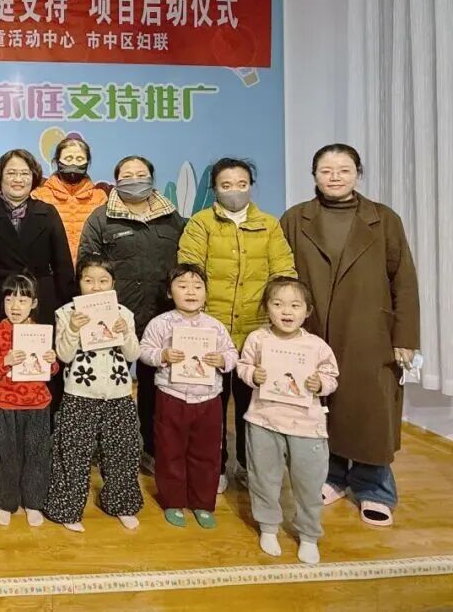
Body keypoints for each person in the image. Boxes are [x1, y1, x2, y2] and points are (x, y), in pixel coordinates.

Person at [280, 143, 419, 527]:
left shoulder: (383, 219)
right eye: (326, 170)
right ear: (314, 175)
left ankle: (376, 488)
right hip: (313, 329)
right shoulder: (295, 218)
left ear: (358, 173)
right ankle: (334, 476)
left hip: (369, 331)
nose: (335, 177)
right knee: (325, 405)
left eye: (344, 170)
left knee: (371, 410)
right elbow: (280, 276)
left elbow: (404, 280)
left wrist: (405, 336)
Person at [177, 158, 297, 493]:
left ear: (251, 187)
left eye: (241, 184)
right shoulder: (200, 223)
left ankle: (247, 465)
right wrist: (197, 318)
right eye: (226, 185)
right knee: (210, 406)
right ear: (215, 188)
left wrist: (281, 313)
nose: (234, 191)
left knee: (252, 406)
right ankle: (214, 467)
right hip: (209, 332)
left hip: (256, 332)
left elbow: (284, 272)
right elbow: (189, 271)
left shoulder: (269, 225)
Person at [78, 155, 186, 471]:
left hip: (160, 317)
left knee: (156, 388)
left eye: (141, 174)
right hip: (113, 319)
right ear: (116, 181)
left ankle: (151, 448)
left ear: (152, 178)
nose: (134, 179)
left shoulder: (172, 219)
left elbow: (185, 265)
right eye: (127, 175)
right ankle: (102, 446)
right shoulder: (101, 218)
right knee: (107, 383)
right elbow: (86, 265)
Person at [236, 277, 339, 565]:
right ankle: (268, 526)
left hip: (307, 426)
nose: (286, 311)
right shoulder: (258, 339)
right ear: (266, 307)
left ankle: (309, 534)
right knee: (263, 478)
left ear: (307, 310)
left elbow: (332, 377)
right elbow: (243, 366)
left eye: (295, 305)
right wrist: (252, 375)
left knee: (309, 483)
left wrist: (321, 384)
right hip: (263, 421)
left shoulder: (316, 345)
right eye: (278, 304)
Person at [0, 149, 74, 410]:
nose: (18, 179)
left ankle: (42, 427)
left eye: (24, 173)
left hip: (40, 302)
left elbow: (63, 266)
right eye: (11, 173)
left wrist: (66, 308)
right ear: (0, 177)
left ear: (33, 177)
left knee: (39, 370)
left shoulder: (48, 213)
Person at [45, 257, 143, 532]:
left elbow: (133, 354)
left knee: (122, 451)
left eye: (103, 281)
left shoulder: (124, 313)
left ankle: (121, 504)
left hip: (118, 393)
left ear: (113, 284)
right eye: (88, 280)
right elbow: (64, 355)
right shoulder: (66, 313)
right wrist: (74, 329)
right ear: (79, 282)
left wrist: (125, 333)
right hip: (79, 392)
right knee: (73, 453)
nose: (96, 287)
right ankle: (67, 508)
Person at [139, 264, 238, 529]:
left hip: (208, 400)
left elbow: (232, 353)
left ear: (206, 293)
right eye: (182, 286)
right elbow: (144, 351)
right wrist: (162, 355)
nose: (190, 292)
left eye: (197, 286)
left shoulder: (215, 326)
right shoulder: (161, 323)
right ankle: (173, 500)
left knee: (207, 453)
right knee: (169, 451)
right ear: (169, 293)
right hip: (171, 396)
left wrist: (222, 360)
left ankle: (202, 503)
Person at [0, 274, 59, 528]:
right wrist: (5, 361)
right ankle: (6, 502)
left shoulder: (40, 333)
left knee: (36, 455)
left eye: (22, 300)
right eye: (9, 299)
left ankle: (33, 502)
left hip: (37, 404)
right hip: (4, 405)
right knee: (5, 456)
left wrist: (51, 361)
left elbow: (51, 370)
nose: (15, 306)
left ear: (33, 303)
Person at [31, 136, 110, 264]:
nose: (74, 163)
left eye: (80, 159)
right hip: (51, 270)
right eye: (68, 158)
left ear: (87, 163)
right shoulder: (39, 195)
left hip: (88, 270)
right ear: (57, 161)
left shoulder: (100, 197)